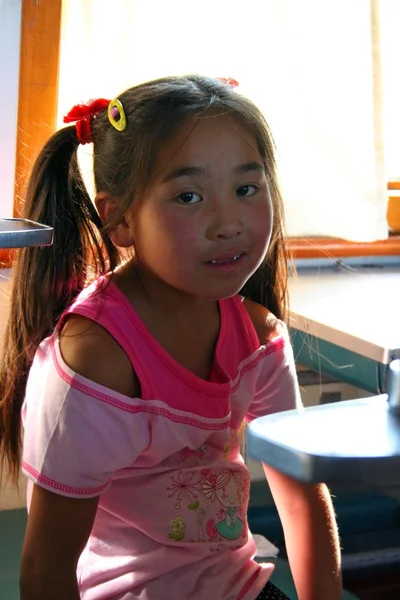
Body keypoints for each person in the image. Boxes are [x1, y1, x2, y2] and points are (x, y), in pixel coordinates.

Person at [0, 75, 342, 600]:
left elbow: (300, 495)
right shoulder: (96, 364)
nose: (227, 223)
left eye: (246, 189)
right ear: (119, 219)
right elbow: (46, 568)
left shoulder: (256, 338)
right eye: (188, 195)